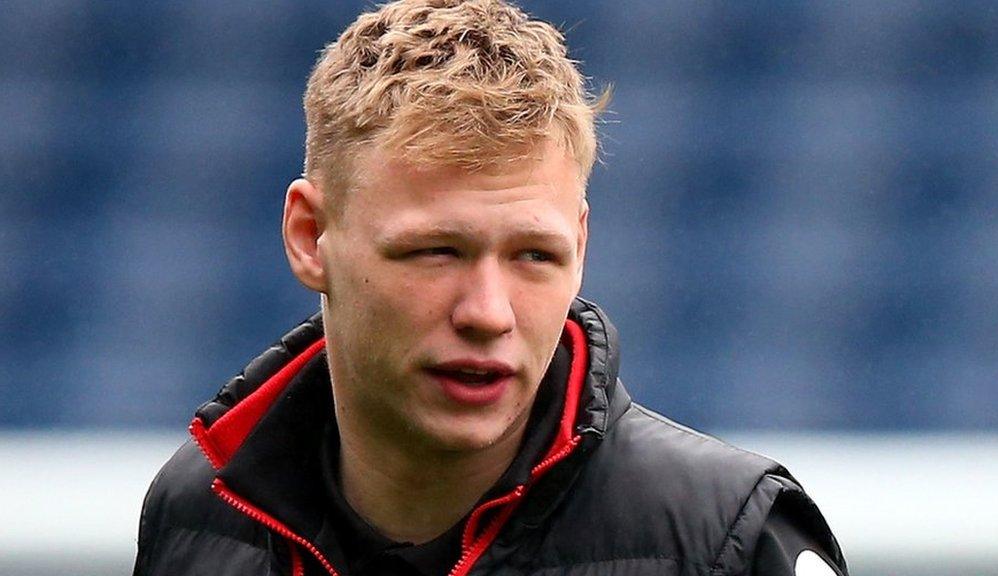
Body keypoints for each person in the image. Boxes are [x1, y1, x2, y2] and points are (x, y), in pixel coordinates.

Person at [132, 1, 849, 575]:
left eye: (534, 255)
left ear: (582, 244)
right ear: (310, 237)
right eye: (436, 251)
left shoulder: (731, 541)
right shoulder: (195, 516)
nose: (488, 313)